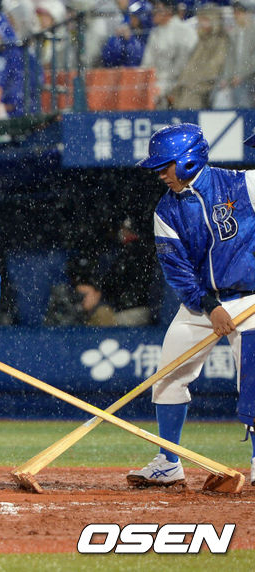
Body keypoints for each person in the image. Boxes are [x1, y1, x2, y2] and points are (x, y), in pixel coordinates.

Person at [127, 124, 255, 488]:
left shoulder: (242, 184)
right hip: (202, 303)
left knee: (254, 382)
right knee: (167, 376)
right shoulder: (166, 210)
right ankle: (168, 462)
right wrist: (208, 305)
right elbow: (177, 268)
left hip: (250, 300)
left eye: (165, 166)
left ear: (188, 160)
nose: (160, 174)